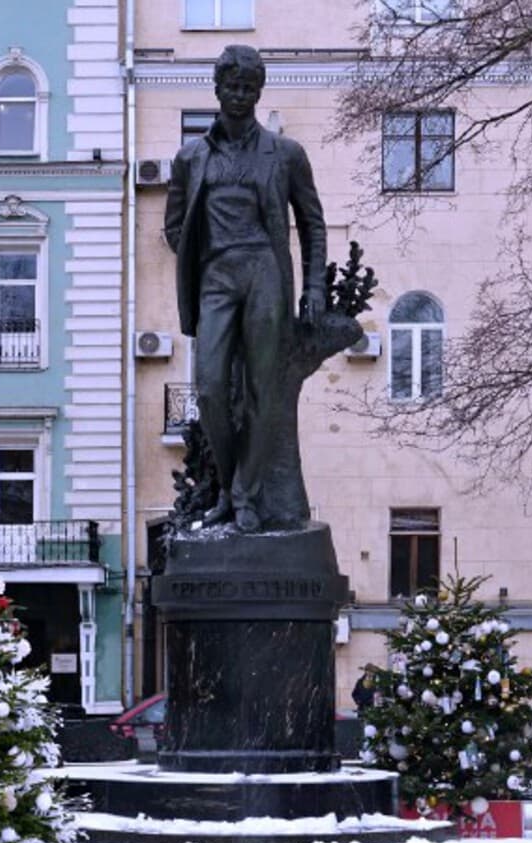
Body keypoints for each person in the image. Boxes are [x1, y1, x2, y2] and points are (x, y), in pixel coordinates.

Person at [163, 44, 327, 533]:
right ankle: (231, 490)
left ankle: (245, 497)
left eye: (248, 88)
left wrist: (314, 287)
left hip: (264, 273)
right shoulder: (191, 158)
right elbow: (175, 226)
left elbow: (313, 224)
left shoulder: (285, 154)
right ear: (217, 89)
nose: (239, 95)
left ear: (259, 93)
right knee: (211, 389)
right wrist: (205, 257)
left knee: (262, 391)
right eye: (232, 86)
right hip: (217, 275)